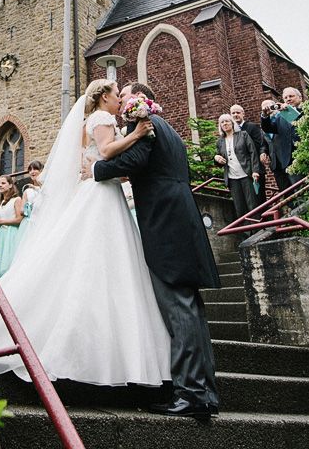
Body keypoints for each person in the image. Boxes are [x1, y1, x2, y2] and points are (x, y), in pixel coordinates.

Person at [0, 79, 173, 392]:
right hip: (100, 196)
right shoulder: (102, 119)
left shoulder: (94, 120)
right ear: (103, 98)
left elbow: (99, 158)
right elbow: (109, 150)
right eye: (115, 94)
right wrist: (138, 134)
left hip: (102, 191)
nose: (118, 100)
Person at [91, 81, 222, 420]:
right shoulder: (170, 131)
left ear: (137, 97)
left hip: (166, 225)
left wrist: (94, 168)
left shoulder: (144, 125)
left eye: (124, 97)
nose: (121, 103)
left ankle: (190, 394)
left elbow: (132, 161)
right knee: (192, 309)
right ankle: (205, 392)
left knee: (178, 308)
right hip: (184, 220)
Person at [214, 113, 261, 219]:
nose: (225, 123)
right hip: (232, 178)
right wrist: (216, 158)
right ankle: (247, 234)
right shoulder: (220, 141)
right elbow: (218, 157)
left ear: (232, 123)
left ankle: (257, 230)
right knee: (239, 207)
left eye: (227, 121)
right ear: (220, 126)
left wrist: (255, 170)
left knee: (252, 205)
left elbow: (253, 152)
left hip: (246, 174)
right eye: (222, 122)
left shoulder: (243, 135)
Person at [0, 176, 23, 277]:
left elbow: (19, 219)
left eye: (3, 183)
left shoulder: (17, 199)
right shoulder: (1, 202)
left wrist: (1, 222)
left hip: (10, 235)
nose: (0, 186)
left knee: (8, 264)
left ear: (10, 185)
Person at [260, 99, 298, 192]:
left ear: (276, 106)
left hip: (290, 158)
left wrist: (287, 110)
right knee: (286, 191)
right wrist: (264, 152)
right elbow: (265, 142)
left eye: (270, 106)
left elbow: (296, 123)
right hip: (276, 163)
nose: (269, 109)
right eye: (265, 108)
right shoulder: (265, 124)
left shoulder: (284, 116)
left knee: (297, 187)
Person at [12, 160, 44, 249]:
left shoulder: (47, 188)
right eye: (30, 170)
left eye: (35, 169)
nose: (32, 172)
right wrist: (29, 206)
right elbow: (22, 211)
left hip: (43, 221)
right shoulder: (27, 191)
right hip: (30, 224)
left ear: (41, 171)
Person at [229, 103, 269, 174]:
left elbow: (261, 143)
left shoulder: (253, 127)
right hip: (239, 169)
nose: (235, 115)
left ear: (243, 114)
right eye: (233, 113)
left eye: (238, 112)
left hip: (254, 165)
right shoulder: (230, 131)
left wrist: (262, 152)